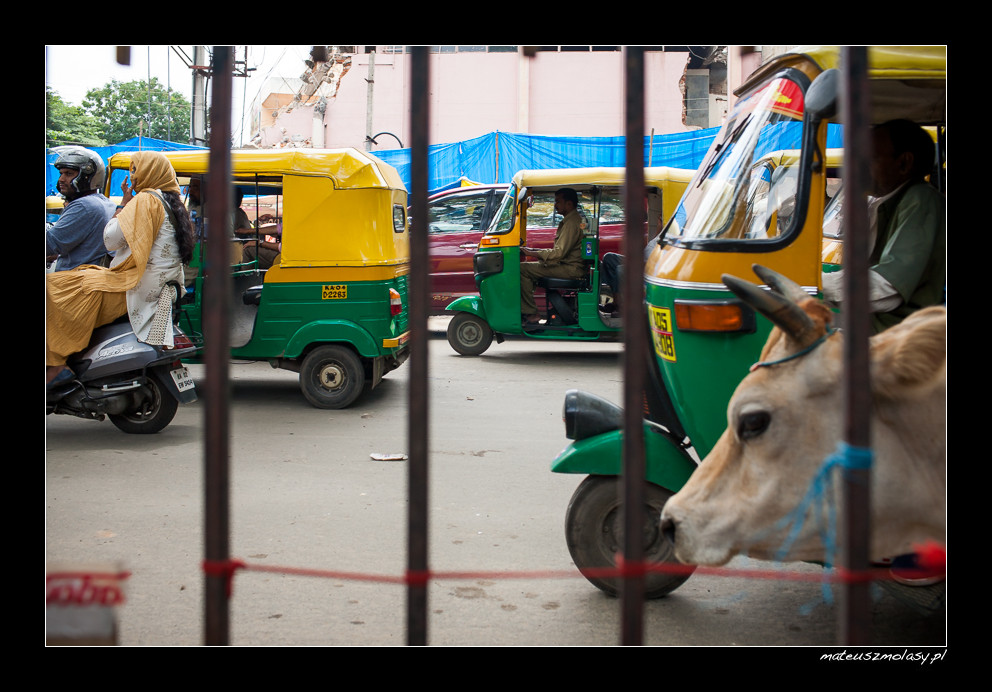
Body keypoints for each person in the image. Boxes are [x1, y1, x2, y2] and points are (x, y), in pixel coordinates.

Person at [46, 152, 195, 388]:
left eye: (135, 171)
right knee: (81, 276)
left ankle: (56, 363)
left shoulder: (146, 200)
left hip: (136, 285)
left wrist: (124, 205)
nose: (132, 177)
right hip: (162, 285)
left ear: (150, 173)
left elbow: (111, 239)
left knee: (56, 289)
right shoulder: (171, 201)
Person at [822, 119, 945, 332]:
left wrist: (813, 286)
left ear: (904, 163)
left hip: (901, 336)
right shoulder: (883, 202)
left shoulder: (920, 200)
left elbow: (887, 286)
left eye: (870, 159)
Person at [519, 188, 587, 324]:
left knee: (522, 269)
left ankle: (531, 313)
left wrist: (531, 252)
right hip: (567, 266)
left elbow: (558, 254)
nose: (555, 205)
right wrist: (531, 250)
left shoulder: (572, 223)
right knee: (527, 268)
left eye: (558, 201)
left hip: (570, 269)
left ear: (569, 204)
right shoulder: (570, 220)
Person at [46, 146, 117, 270]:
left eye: (69, 174)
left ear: (87, 177)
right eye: (61, 174)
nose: (61, 179)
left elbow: (50, 244)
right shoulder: (106, 203)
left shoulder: (84, 206)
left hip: (73, 283)